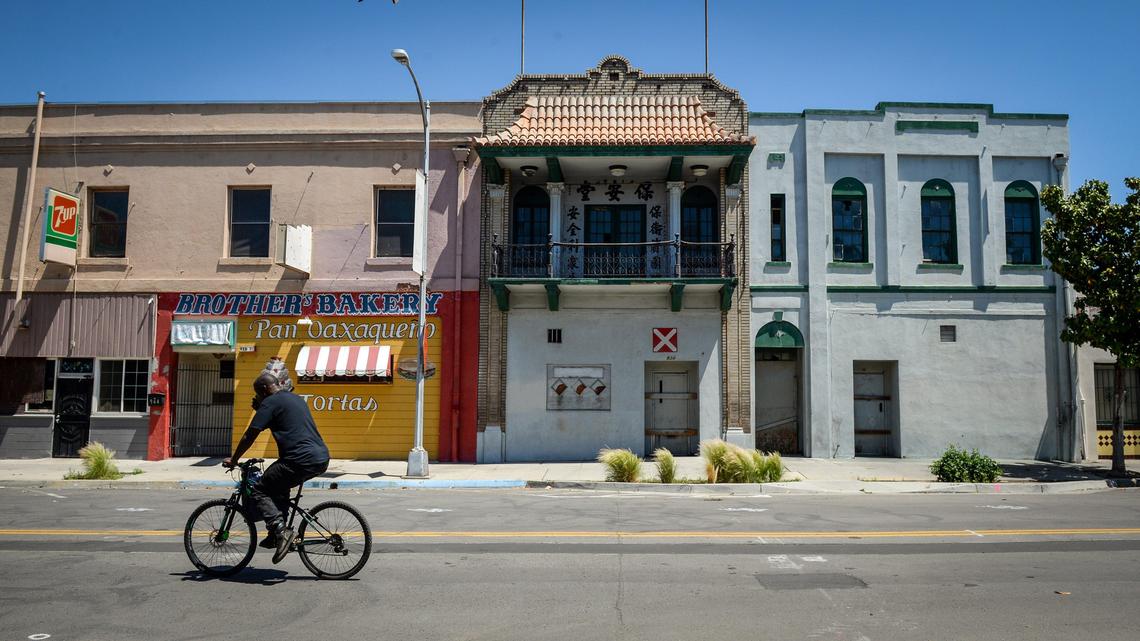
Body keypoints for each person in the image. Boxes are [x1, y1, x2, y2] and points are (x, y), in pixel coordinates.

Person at [224, 365, 330, 564]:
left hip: (299, 459)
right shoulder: (295, 398)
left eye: (258, 394)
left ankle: (280, 530)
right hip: (320, 457)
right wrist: (261, 409)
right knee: (280, 486)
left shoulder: (270, 402)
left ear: (264, 391)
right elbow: (283, 419)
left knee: (259, 490)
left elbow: (251, 434)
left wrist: (235, 459)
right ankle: (277, 534)